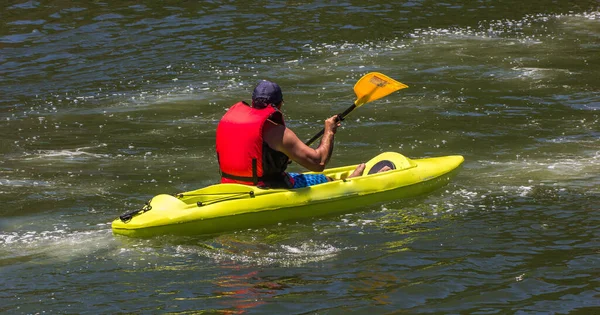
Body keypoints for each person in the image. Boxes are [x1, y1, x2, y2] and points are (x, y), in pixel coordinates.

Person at [215, 80, 367, 189]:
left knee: (294, 174)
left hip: (231, 185)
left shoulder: (232, 122)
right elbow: (318, 163)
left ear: (253, 102)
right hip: (267, 188)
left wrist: (278, 158)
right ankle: (350, 182)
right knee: (320, 178)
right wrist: (329, 131)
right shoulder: (278, 133)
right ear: (279, 105)